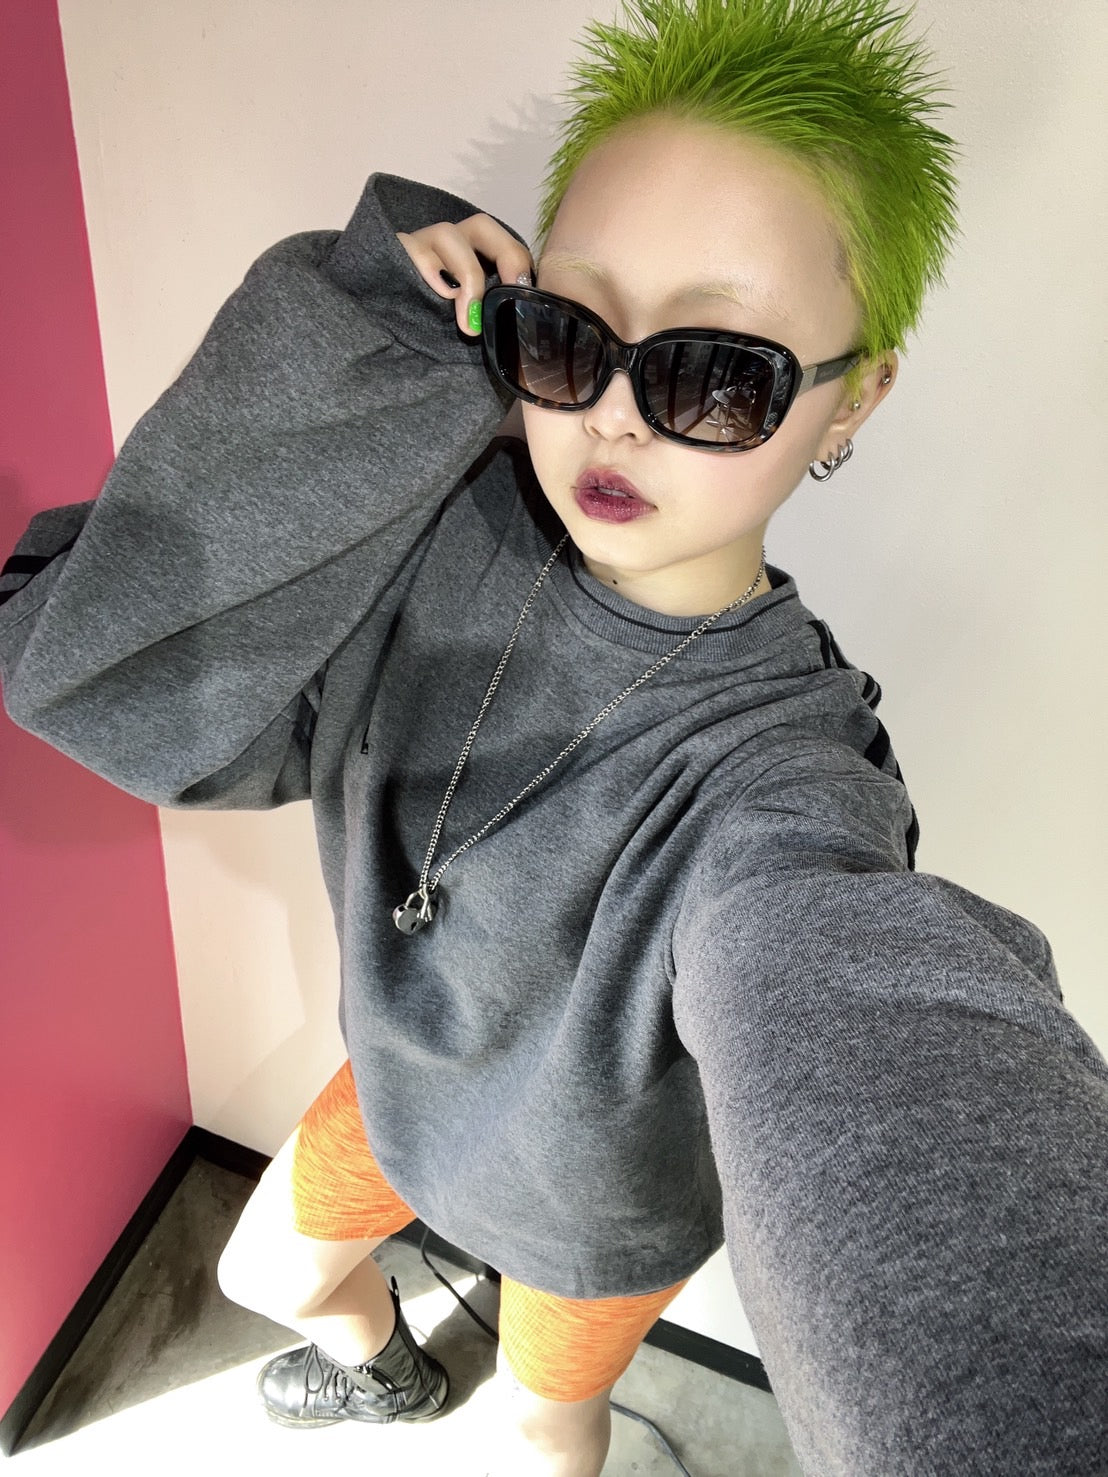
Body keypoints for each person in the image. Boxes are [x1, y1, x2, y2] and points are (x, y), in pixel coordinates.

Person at [2, 1, 1106, 1473]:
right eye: (570, 337)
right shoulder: (444, 527)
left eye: (716, 374)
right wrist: (359, 335)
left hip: (596, 1208)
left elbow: (852, 1001)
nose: (617, 419)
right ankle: (386, 1379)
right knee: (265, 1274)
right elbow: (96, 672)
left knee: (546, 1424)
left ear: (854, 398)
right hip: (405, 1096)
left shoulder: (785, 773)